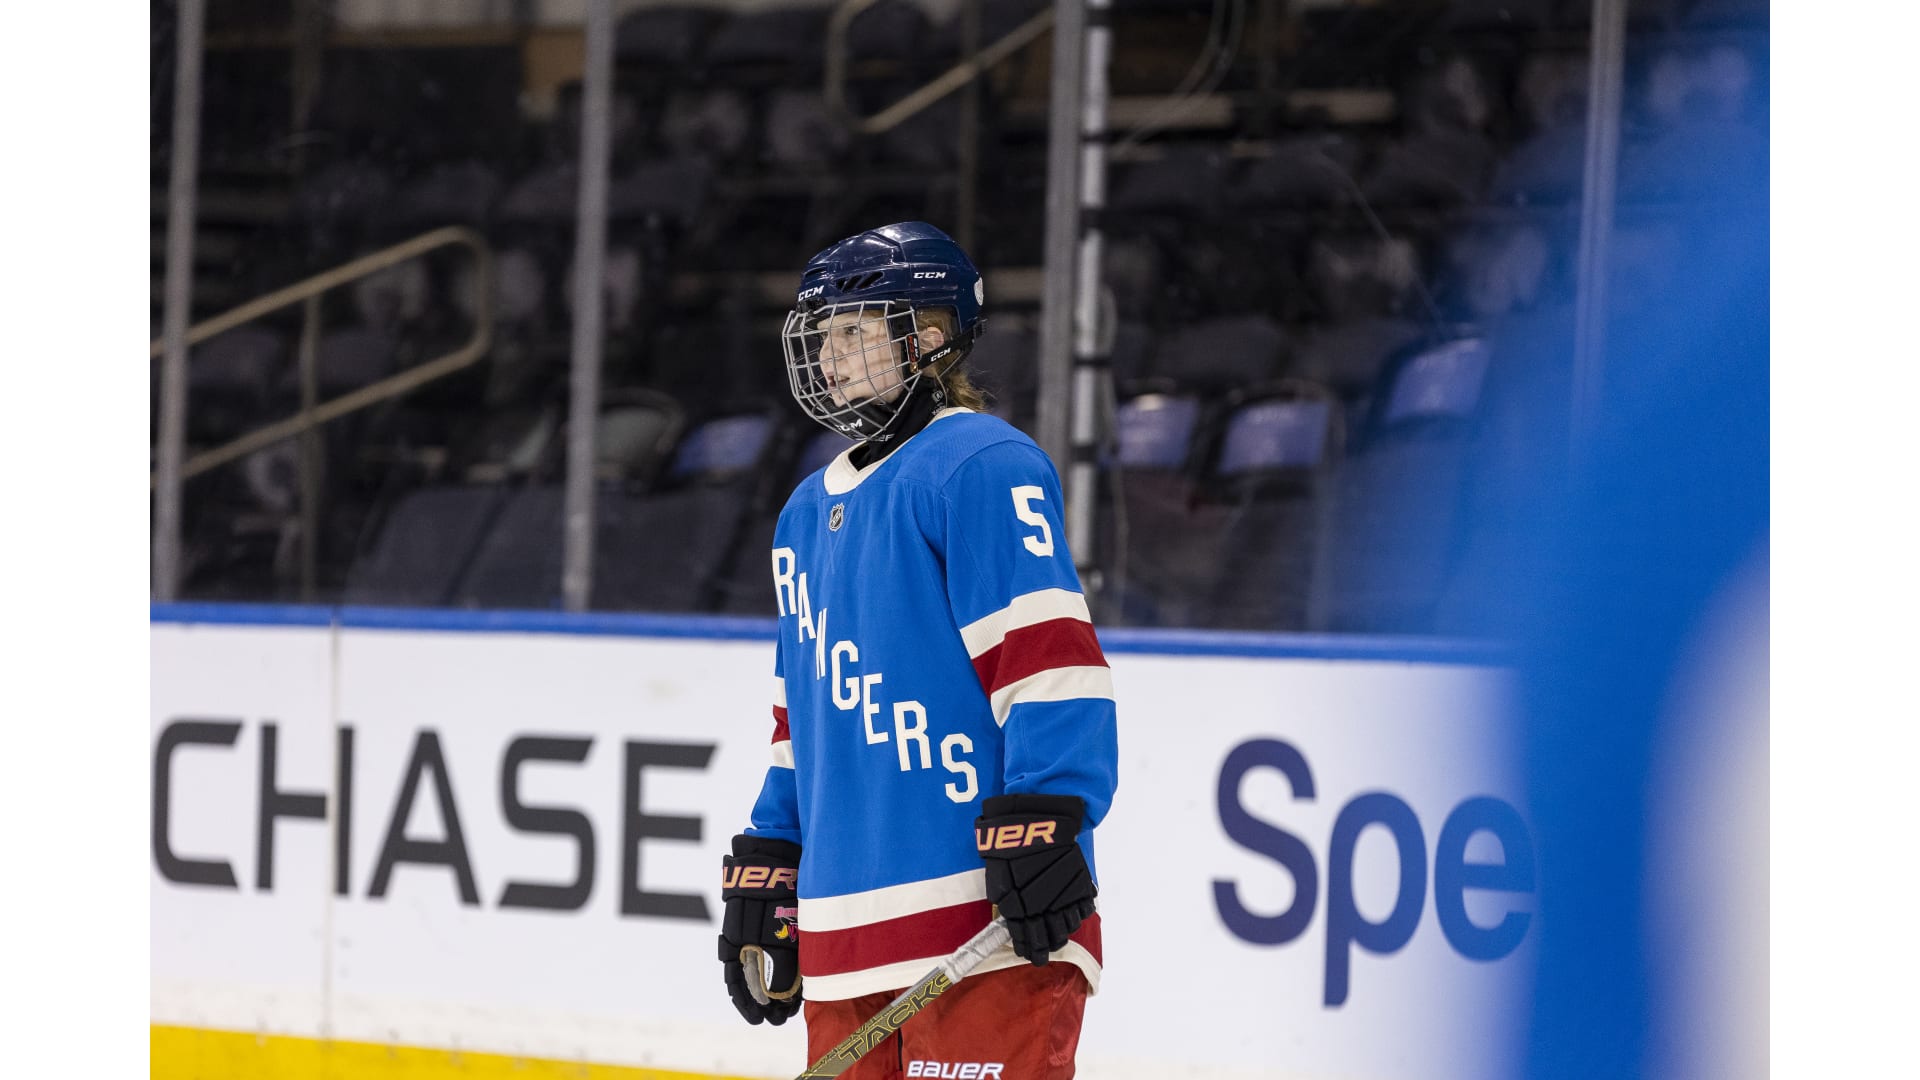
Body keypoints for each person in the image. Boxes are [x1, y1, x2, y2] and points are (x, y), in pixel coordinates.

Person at [716, 221, 1120, 1080]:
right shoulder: (802, 514)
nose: (830, 358)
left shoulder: (982, 464)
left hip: (982, 923)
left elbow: (1048, 660)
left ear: (928, 338)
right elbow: (802, 714)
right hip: (843, 929)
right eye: (823, 336)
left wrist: (1047, 813)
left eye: (853, 333)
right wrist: (774, 852)